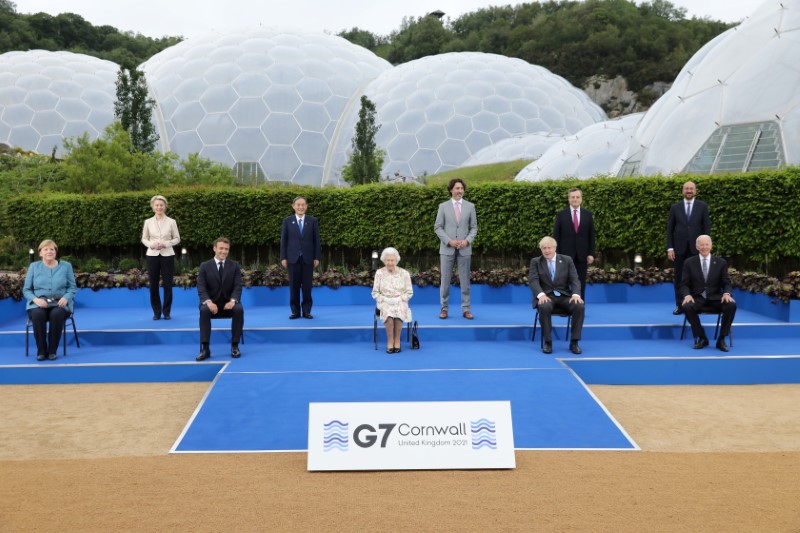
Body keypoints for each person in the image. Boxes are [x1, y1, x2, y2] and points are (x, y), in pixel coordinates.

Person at [528, 236, 585, 355]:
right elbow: (533, 280)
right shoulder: (536, 262)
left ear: (555, 248)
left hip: (564, 296)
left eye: (549, 248)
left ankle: (574, 342)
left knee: (579, 306)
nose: (546, 251)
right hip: (546, 296)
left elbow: (574, 279)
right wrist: (541, 295)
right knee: (544, 306)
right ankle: (548, 342)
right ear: (541, 249)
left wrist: (575, 294)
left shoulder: (567, 260)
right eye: (544, 248)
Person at [22, 240, 77, 361]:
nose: (49, 252)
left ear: (56, 252)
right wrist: (36, 300)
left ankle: (52, 350)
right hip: (39, 303)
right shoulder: (34, 267)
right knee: (37, 314)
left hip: (59, 302)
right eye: (45, 249)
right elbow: (26, 290)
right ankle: (41, 351)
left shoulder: (66, 266)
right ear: (40, 253)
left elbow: (72, 288)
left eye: (52, 249)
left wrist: (66, 297)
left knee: (57, 314)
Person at [680, 235, 736, 352]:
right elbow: (684, 284)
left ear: (711, 245)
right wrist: (687, 295)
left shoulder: (721, 262)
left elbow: (726, 282)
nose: (704, 247)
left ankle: (721, 339)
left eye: (707, 244)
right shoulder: (689, 262)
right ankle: (702, 337)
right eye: (701, 244)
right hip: (697, 298)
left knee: (731, 305)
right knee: (686, 306)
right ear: (697, 247)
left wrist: (727, 293)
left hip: (715, 298)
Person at [434, 178, 478, 320]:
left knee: (465, 281)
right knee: (445, 280)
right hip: (447, 249)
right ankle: (444, 308)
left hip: (465, 249)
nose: (460, 191)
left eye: (461, 188)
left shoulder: (470, 207)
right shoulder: (443, 206)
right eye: (457, 188)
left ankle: (466, 309)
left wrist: (467, 241)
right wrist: (449, 241)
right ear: (451, 190)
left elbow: (474, 228)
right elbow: (438, 227)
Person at [195, 237, 244, 361]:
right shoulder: (204, 266)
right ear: (214, 249)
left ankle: (234, 346)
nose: (224, 251)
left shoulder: (234, 265)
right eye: (221, 248)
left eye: (226, 249)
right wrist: (208, 301)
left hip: (228, 304)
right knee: (204, 310)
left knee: (239, 309)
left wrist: (233, 301)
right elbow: (201, 287)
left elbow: (238, 286)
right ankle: (205, 348)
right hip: (211, 304)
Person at [667, 181, 710, 315]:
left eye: (691, 188)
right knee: (679, 278)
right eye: (687, 189)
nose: (689, 191)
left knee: (697, 278)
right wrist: (670, 248)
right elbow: (670, 229)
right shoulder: (675, 207)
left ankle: (696, 306)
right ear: (683, 191)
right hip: (679, 249)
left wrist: (705, 247)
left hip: (696, 249)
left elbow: (706, 228)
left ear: (695, 191)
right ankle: (680, 306)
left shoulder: (702, 206)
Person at [280, 196, 321, 319]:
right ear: (293, 206)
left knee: (307, 287)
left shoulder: (313, 221)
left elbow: (316, 241)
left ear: (306, 206)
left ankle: (307, 310)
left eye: (303, 205)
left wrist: (316, 257)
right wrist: (283, 257)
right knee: (294, 287)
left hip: (308, 259)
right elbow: (284, 241)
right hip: (292, 259)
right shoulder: (287, 221)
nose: (300, 207)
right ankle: (295, 311)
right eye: (298, 204)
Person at [141, 195, 180, 320]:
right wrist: (152, 244)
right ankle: (156, 312)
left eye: (161, 205)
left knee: (168, 284)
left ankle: (166, 312)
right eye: (157, 205)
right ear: (153, 207)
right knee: (153, 285)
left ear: (165, 206)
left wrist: (165, 244)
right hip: (152, 255)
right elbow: (144, 238)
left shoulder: (171, 221)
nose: (159, 207)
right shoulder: (148, 222)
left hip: (167, 255)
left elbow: (177, 238)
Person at [553, 187, 596, 299]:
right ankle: (566, 306)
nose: (575, 199)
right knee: (565, 282)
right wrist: (556, 254)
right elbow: (556, 236)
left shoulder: (588, 215)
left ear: (581, 199)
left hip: (583, 255)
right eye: (573, 197)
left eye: (577, 197)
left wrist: (591, 253)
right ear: (569, 199)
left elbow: (591, 235)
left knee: (580, 282)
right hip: (565, 256)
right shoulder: (561, 215)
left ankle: (580, 307)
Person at [371, 247, 413, 354]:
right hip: (384, 301)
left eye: (392, 260)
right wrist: (383, 299)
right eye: (387, 260)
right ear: (384, 261)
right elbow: (375, 292)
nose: (390, 263)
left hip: (400, 300)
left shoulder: (404, 273)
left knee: (398, 311)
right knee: (389, 313)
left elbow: (409, 292)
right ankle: (390, 341)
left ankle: (397, 340)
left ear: (396, 260)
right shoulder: (379, 273)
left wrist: (400, 299)